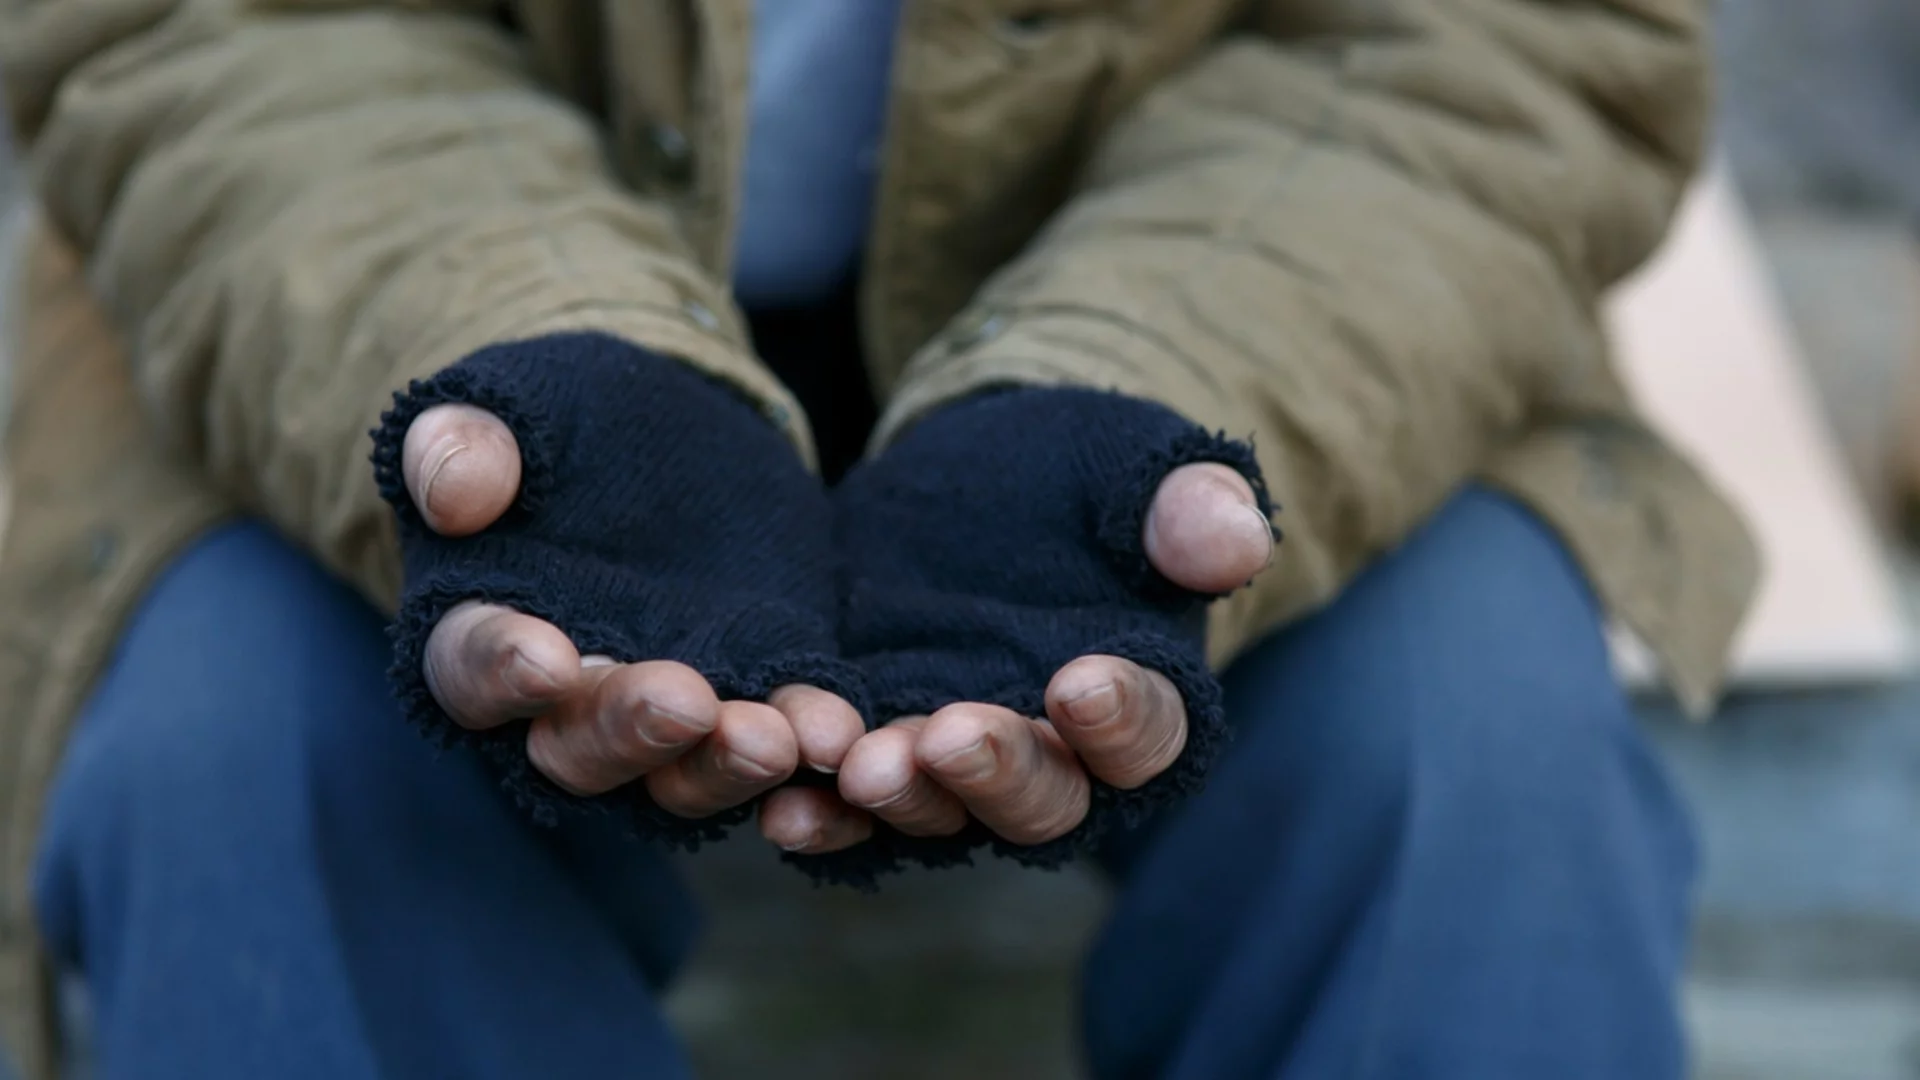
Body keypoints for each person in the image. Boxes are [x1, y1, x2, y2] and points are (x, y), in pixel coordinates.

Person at [0, 1, 1756, 1077]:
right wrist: (536, 355)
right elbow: (212, 22)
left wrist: (1130, 387)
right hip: (356, 285)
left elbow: (1494, 39)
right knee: (244, 756)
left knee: (1469, 750)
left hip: (1291, 310)